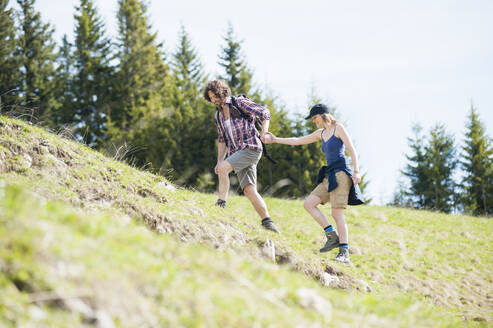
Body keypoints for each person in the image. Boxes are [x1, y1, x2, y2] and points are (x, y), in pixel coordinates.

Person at [264, 104, 364, 263]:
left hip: (342, 174)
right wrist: (275, 139)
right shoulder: (321, 133)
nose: (314, 121)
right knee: (309, 204)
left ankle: (344, 253)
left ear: (323, 115)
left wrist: (357, 171)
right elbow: (297, 141)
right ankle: (332, 236)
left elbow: (351, 149)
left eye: (315, 117)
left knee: (337, 213)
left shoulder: (338, 128)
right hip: (329, 175)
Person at [203, 80, 280, 233]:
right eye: (210, 98)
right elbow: (222, 139)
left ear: (222, 92)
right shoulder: (218, 115)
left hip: (251, 148)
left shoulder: (239, 103)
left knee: (224, 168)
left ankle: (221, 204)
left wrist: (264, 132)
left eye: (215, 96)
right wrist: (219, 161)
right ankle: (268, 222)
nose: (213, 100)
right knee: (249, 190)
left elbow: (264, 112)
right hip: (237, 153)